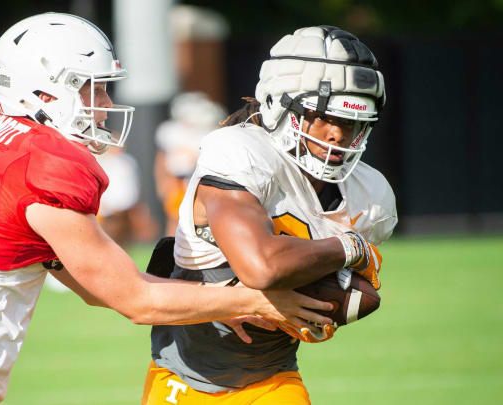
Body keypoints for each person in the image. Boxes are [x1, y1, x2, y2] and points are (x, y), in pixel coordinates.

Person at [0, 13, 334, 405]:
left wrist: (206, 305)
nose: (104, 104)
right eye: (92, 88)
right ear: (43, 93)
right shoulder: (44, 162)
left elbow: (95, 287)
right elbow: (135, 300)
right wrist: (252, 299)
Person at [141, 26, 397, 405]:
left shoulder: (370, 194)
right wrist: (348, 247)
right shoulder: (239, 152)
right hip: (185, 381)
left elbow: (351, 296)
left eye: (354, 122)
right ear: (281, 102)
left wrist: (323, 309)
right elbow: (261, 268)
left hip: (273, 379)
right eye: (324, 115)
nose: (339, 135)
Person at [154, 92, 226, 235]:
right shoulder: (171, 131)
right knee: (175, 217)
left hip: (202, 179)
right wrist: (163, 182)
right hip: (178, 179)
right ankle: (171, 250)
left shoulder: (210, 133)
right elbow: (162, 160)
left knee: (202, 218)